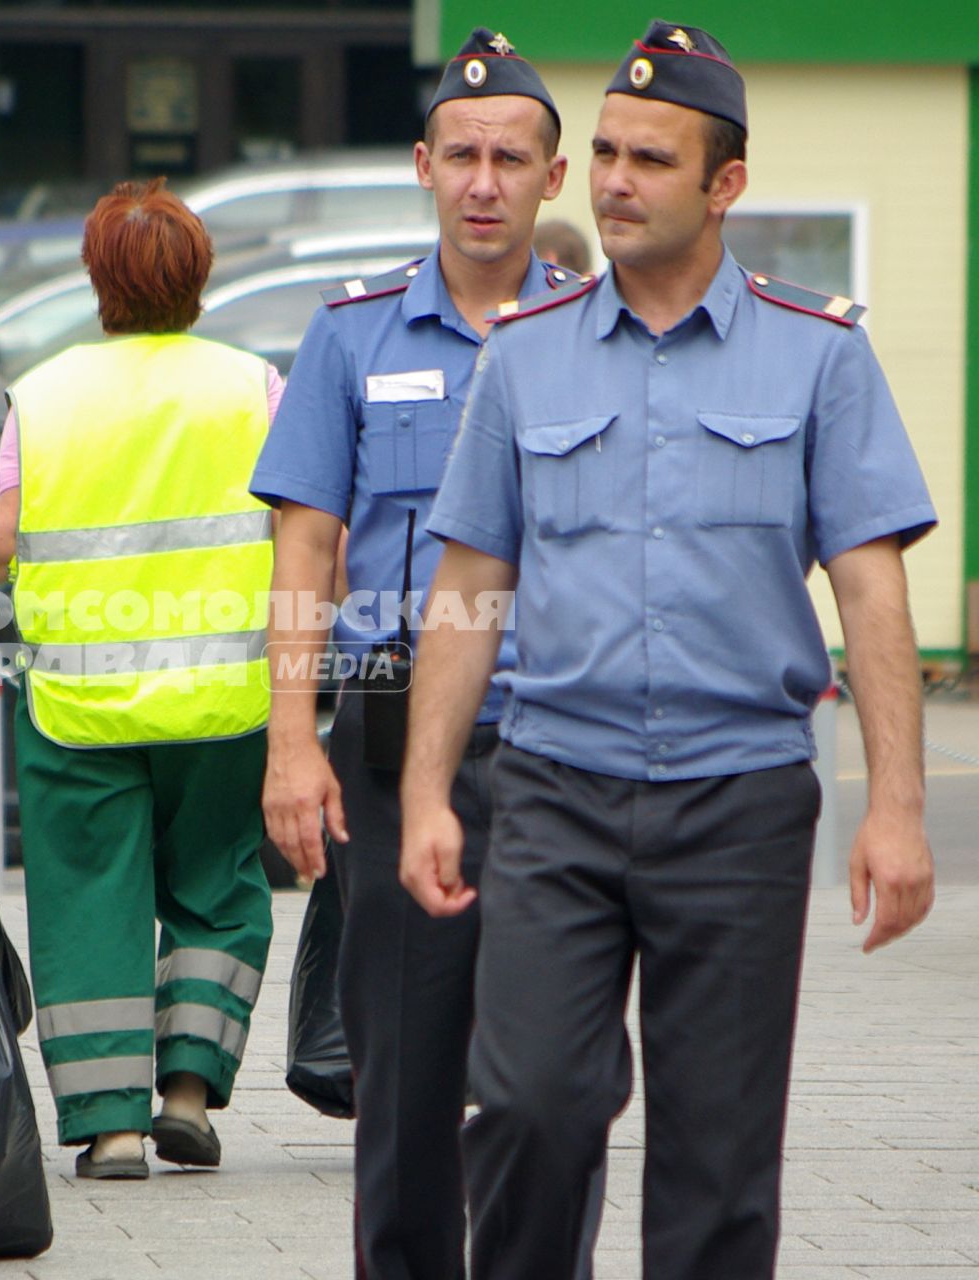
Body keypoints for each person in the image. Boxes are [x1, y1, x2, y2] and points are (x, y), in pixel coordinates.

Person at [398, 22, 938, 1279]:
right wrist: (428, 790)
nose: (615, 180)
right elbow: (469, 584)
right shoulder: (525, 357)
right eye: (604, 152)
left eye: (650, 157)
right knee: (528, 1101)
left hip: (740, 800)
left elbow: (872, 595)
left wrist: (896, 810)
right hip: (554, 794)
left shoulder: (821, 355)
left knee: (718, 1159)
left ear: (726, 183)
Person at [248, 31, 597, 1280]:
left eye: (512, 157)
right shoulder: (350, 338)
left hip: (569, 745)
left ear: (555, 177)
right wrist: (295, 740)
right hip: (393, 742)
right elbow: (305, 551)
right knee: (398, 1082)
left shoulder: (602, 335)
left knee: (552, 1081)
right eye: (463, 154)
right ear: (423, 165)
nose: (485, 180)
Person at [0, 180, 278, 1181]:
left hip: (77, 702)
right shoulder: (255, 386)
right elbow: (305, 525)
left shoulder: (45, 397)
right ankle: (186, 1090)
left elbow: (8, 537)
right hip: (222, 696)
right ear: (199, 276)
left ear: (99, 281)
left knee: (89, 898)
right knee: (219, 886)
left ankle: (112, 1128)